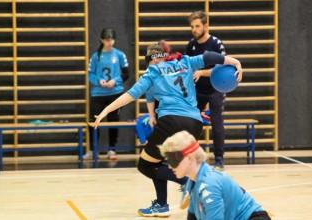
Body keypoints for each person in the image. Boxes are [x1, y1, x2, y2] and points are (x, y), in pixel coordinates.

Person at [92, 40, 242, 217]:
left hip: (171, 122)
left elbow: (130, 95)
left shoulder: (153, 71)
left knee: (146, 165)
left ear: (153, 59)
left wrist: (105, 110)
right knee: (159, 162)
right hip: (194, 124)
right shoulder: (185, 61)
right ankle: (161, 204)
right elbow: (209, 57)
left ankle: (187, 181)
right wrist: (235, 62)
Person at [159, 130, 272, 220]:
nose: (169, 166)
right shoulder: (193, 182)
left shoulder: (209, 184)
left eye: (172, 160)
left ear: (189, 158)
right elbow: (192, 216)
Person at [186, 11, 234, 170]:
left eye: (197, 26)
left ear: (206, 26)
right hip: (197, 90)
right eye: (192, 26)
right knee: (190, 122)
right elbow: (187, 67)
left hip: (216, 88)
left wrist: (202, 72)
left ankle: (219, 159)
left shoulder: (216, 44)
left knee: (216, 120)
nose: (194, 29)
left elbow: (222, 67)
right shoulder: (191, 45)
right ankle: (190, 156)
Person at [84, 28, 129, 160]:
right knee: (94, 121)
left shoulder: (120, 55)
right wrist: (99, 81)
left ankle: (112, 149)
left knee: (114, 121)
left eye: (111, 40)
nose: (110, 42)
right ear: (102, 40)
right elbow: (90, 74)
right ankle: (93, 150)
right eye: (107, 40)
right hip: (98, 94)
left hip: (115, 93)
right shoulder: (95, 56)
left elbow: (126, 74)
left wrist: (115, 81)